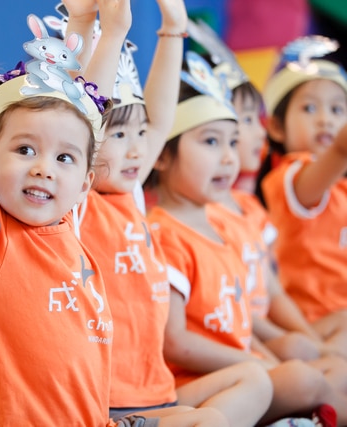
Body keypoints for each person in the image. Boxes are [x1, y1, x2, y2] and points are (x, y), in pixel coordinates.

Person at [73, 3, 271, 426]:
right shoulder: (79, 203)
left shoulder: (131, 195)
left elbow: (160, 121)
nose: (135, 149)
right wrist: (100, 31)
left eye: (140, 134)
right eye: (119, 134)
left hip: (158, 392)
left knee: (257, 380)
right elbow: (79, 121)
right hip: (113, 401)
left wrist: (173, 31)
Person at [148, 50, 347, 426]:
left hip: (246, 368)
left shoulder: (220, 226)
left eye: (231, 141)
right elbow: (175, 342)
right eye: (210, 142)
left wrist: (276, 356)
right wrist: (262, 362)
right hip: (206, 382)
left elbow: (241, 322)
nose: (228, 158)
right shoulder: (165, 234)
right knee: (307, 376)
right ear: (161, 154)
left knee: (324, 364)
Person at [0, 6, 127, 424]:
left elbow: (85, 122)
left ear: (86, 182)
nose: (44, 168)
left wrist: (104, 28)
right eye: (24, 149)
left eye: (63, 159)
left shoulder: (69, 218)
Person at [253, 36, 347, 337]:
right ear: (277, 127)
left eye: (337, 110)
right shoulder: (289, 178)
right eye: (309, 109)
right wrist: (339, 151)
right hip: (313, 323)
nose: (325, 120)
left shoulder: (339, 184)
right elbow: (338, 153)